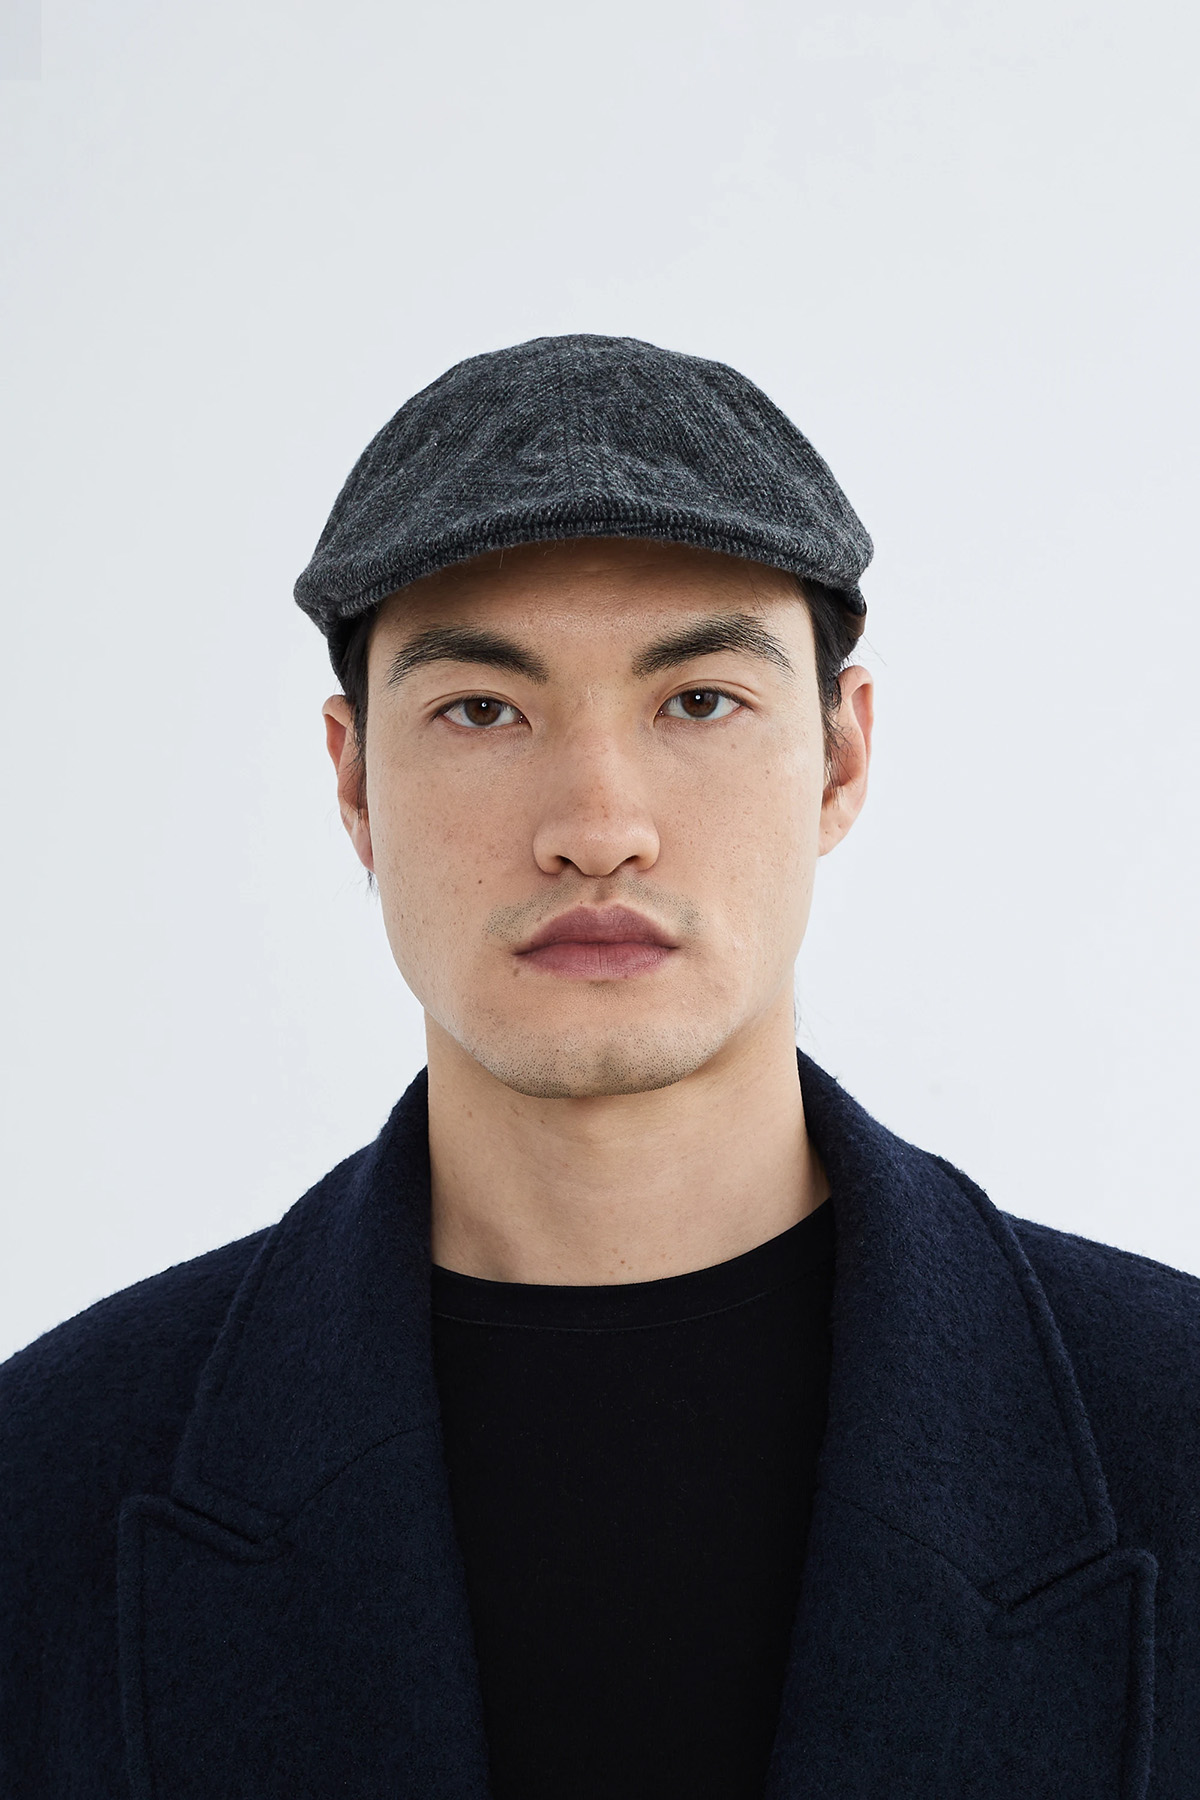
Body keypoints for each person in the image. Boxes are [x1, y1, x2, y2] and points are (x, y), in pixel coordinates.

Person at [1, 335, 1196, 1800]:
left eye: (698, 700)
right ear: (354, 779)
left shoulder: (1169, 1421)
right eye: (481, 710)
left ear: (840, 758)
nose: (596, 828)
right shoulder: (47, 1476)